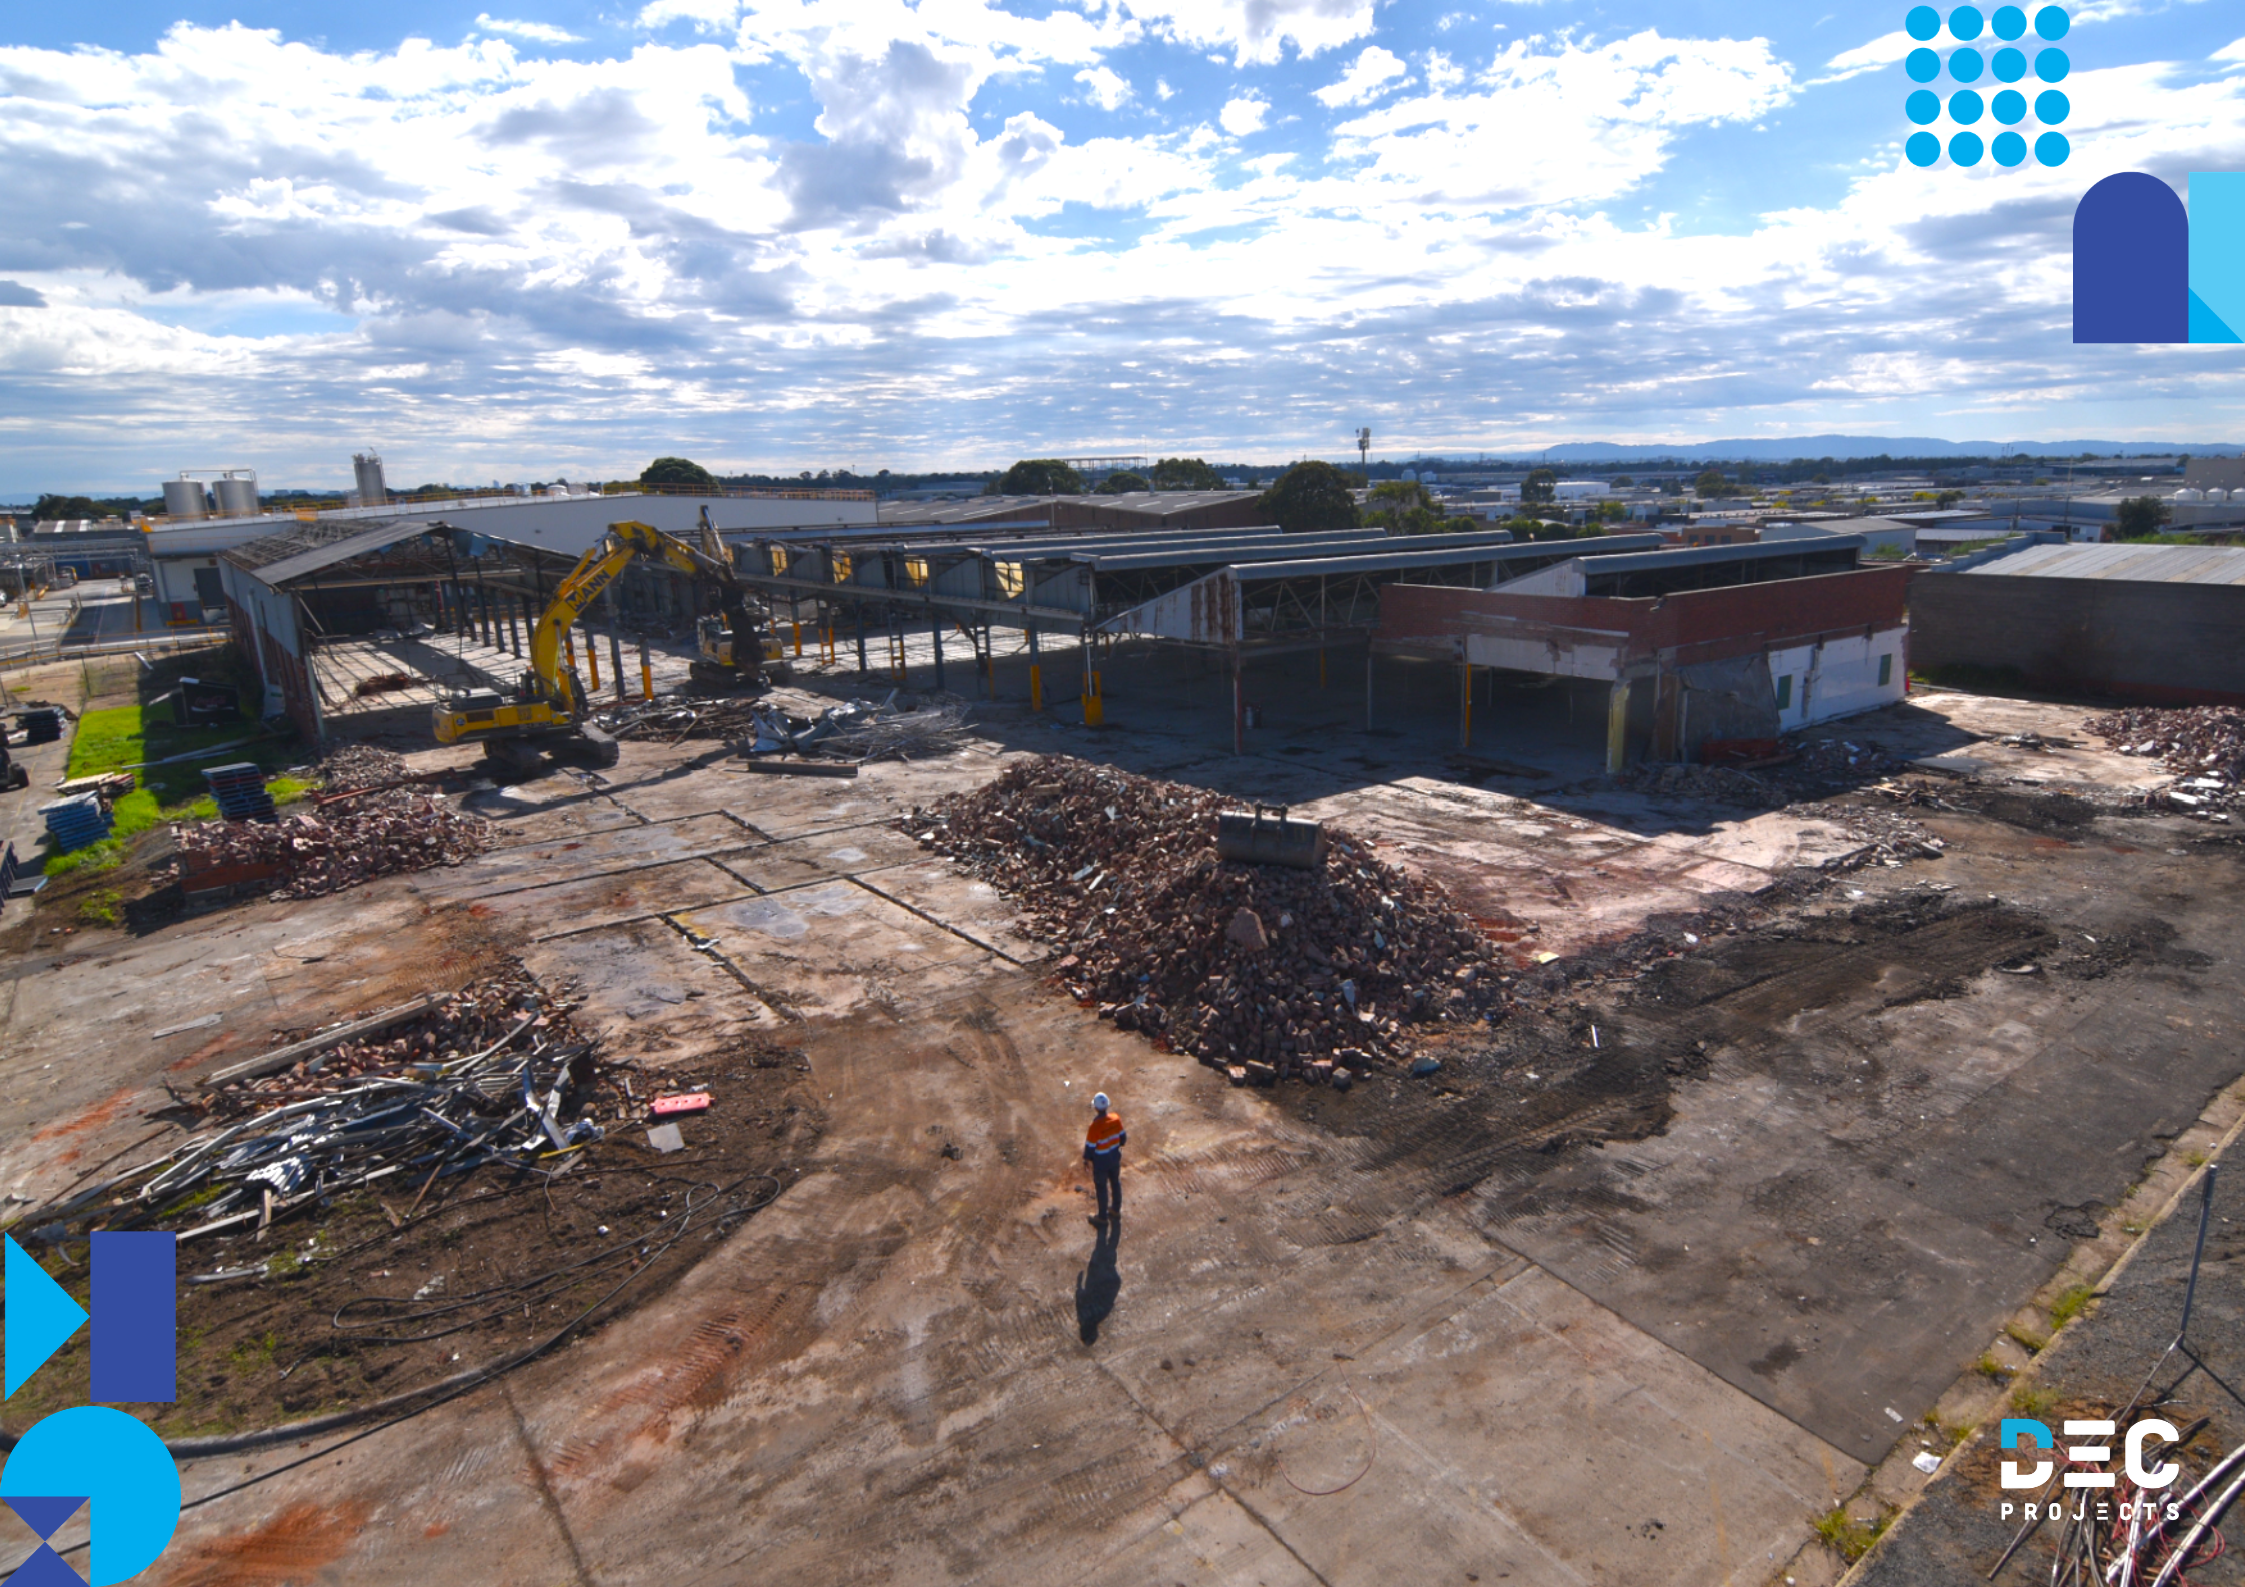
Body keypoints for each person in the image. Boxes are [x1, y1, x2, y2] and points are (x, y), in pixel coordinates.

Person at [1084, 1092, 1125, 1225]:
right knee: (1115, 1183)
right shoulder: (1116, 1119)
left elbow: (1090, 1148)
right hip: (1114, 1159)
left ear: (1095, 1108)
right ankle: (1115, 1210)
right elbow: (1123, 1139)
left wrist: (1086, 1160)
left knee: (1101, 1188)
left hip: (1101, 1163)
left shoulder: (1094, 1126)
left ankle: (1102, 1218)